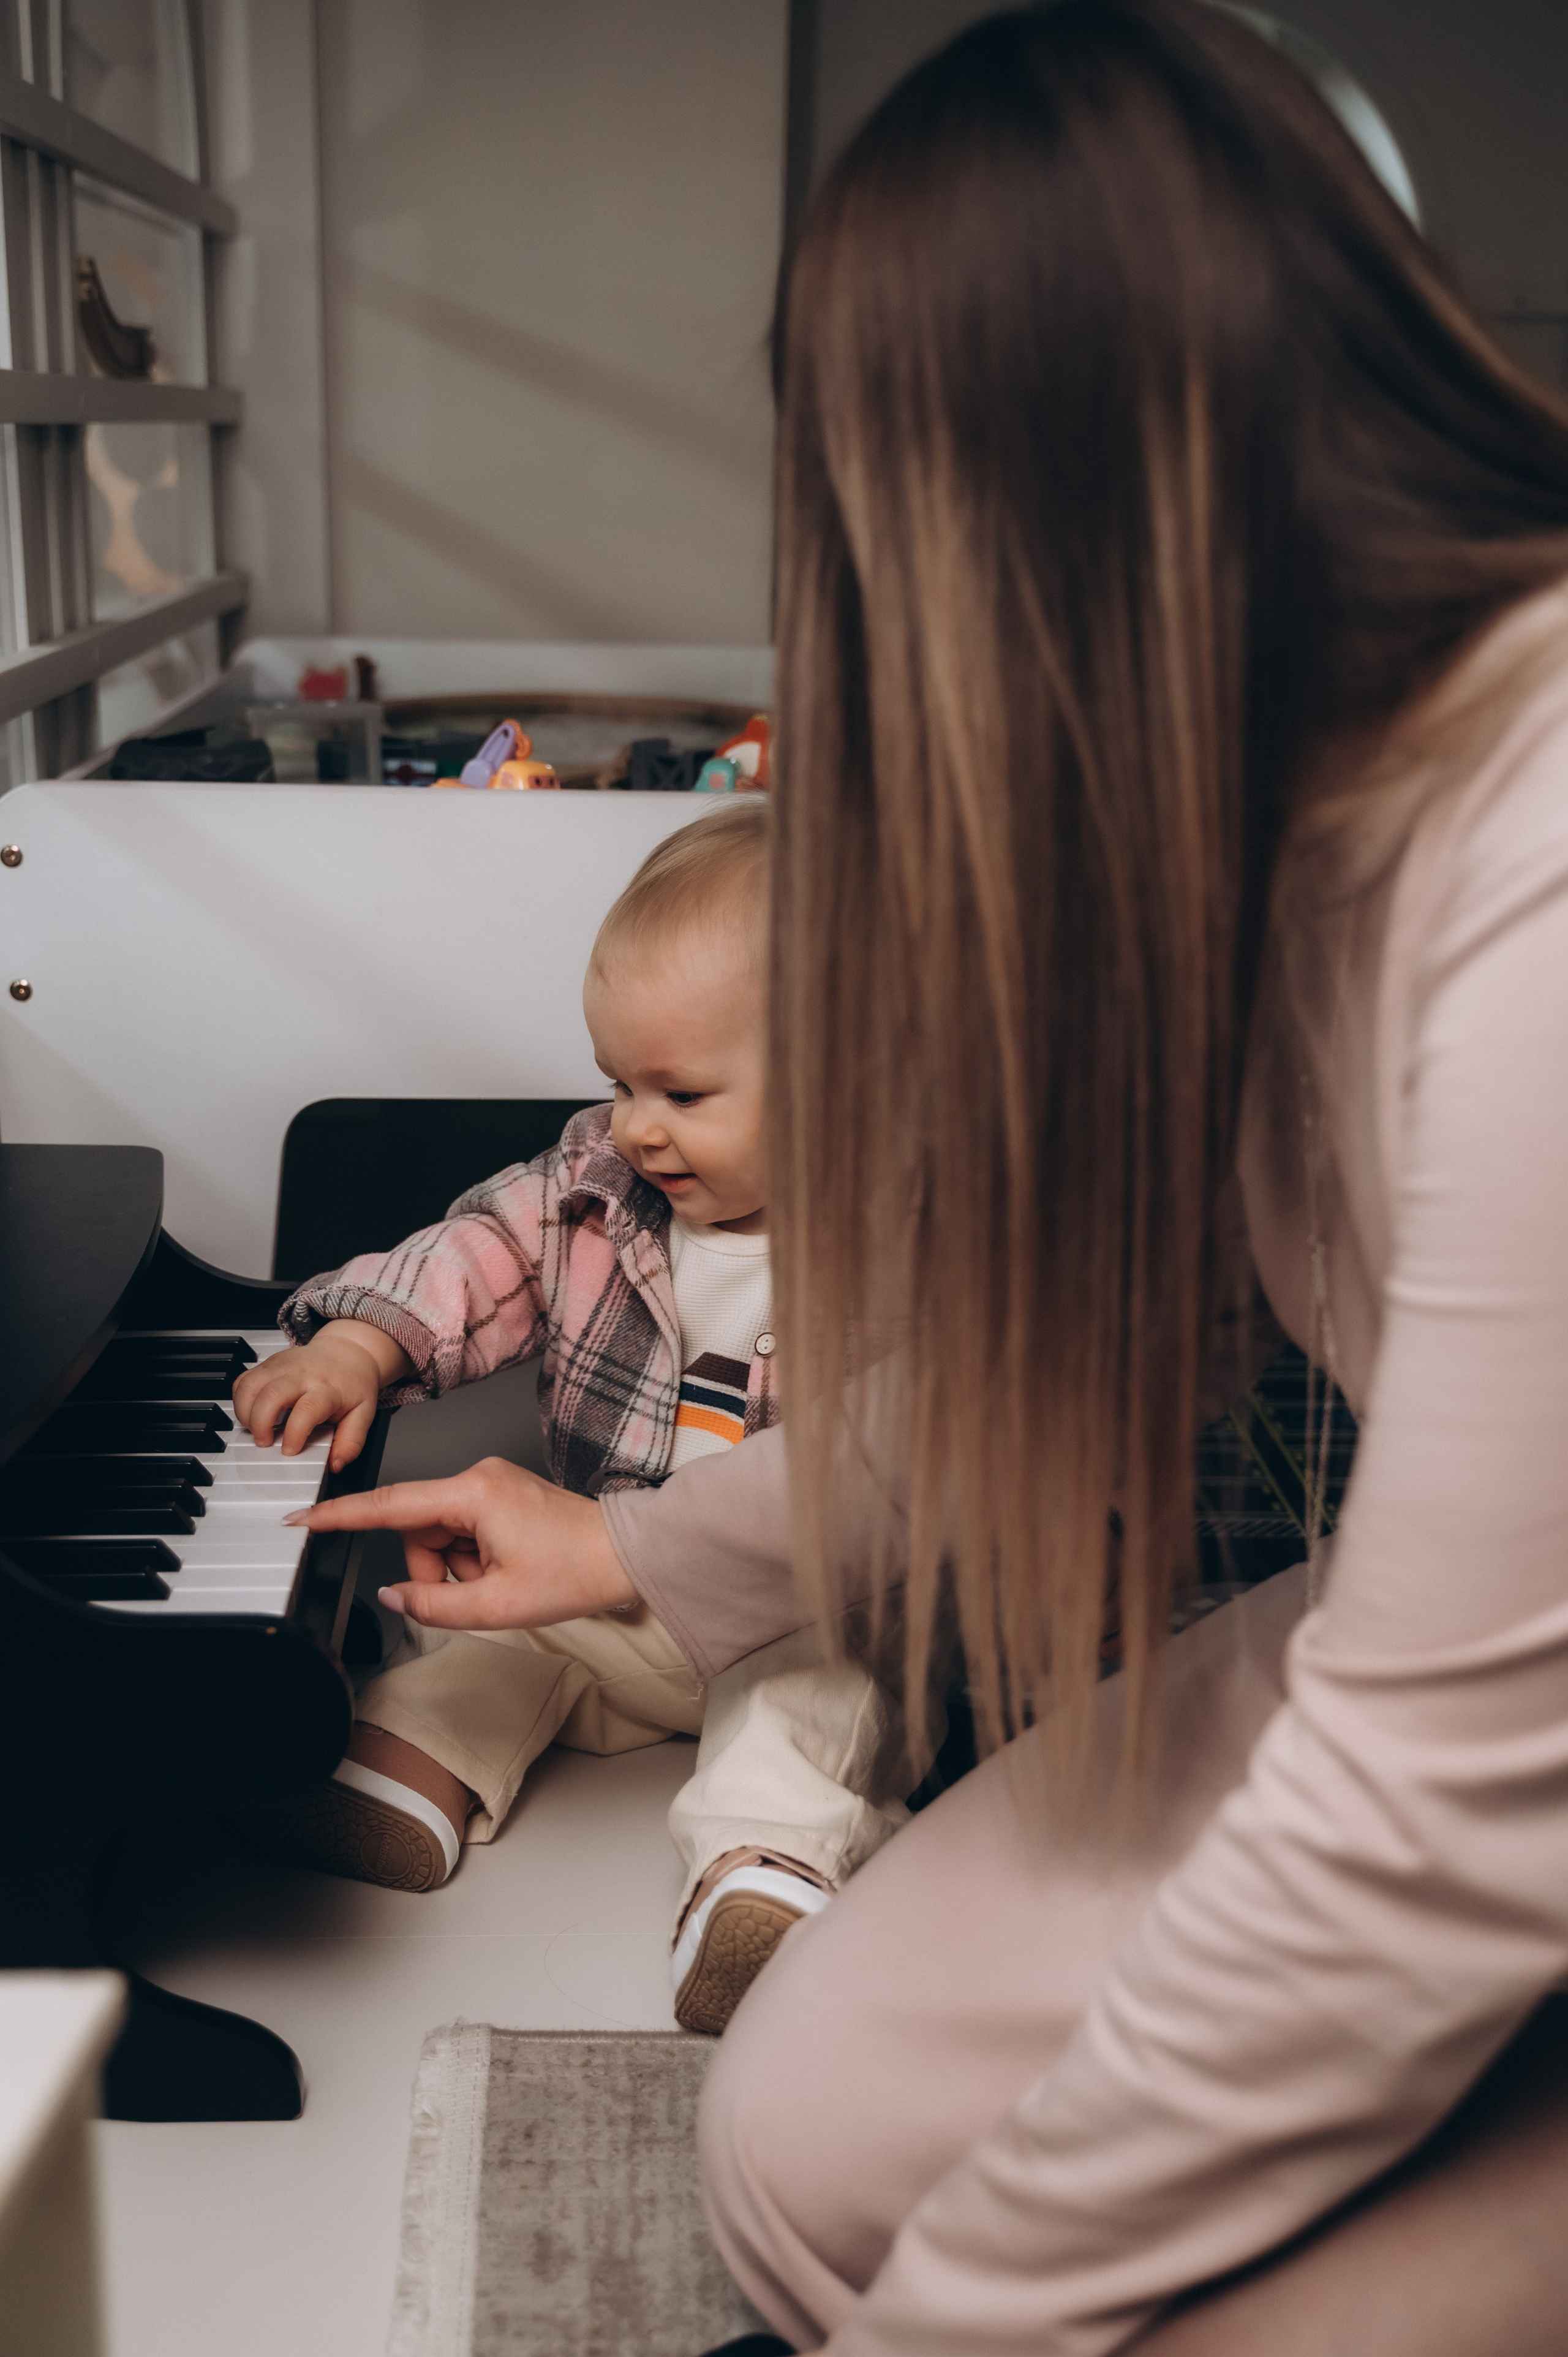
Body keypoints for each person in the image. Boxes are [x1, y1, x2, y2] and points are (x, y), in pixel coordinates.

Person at [290, 2, 1568, 2349]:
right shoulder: (1266, 833)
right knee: (803, 2144)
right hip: (1467, 1655)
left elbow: (1449, 1809)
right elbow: (1012, 1376)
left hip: (1493, 1744)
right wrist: (631, 1546)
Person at [235, 798, 910, 2036]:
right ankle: (401, 1778)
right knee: (480, 1640)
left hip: (796, 1606)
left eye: (684, 1089)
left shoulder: (918, 1240)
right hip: (592, 1583)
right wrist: (359, 1342)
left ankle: (756, 1880)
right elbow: (479, 1251)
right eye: (617, 1081)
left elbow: (929, 1468)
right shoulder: (603, 1185)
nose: (638, 1122)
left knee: (807, 1707)